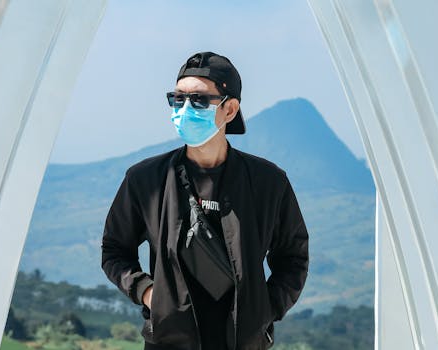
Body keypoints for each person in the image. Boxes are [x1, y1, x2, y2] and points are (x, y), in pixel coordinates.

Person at [101, 52, 309, 350]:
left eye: (198, 100)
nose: (184, 109)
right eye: (177, 99)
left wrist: (266, 309)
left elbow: (293, 257)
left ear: (230, 109)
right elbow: (114, 249)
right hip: (168, 342)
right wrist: (148, 293)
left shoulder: (268, 182)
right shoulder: (145, 179)